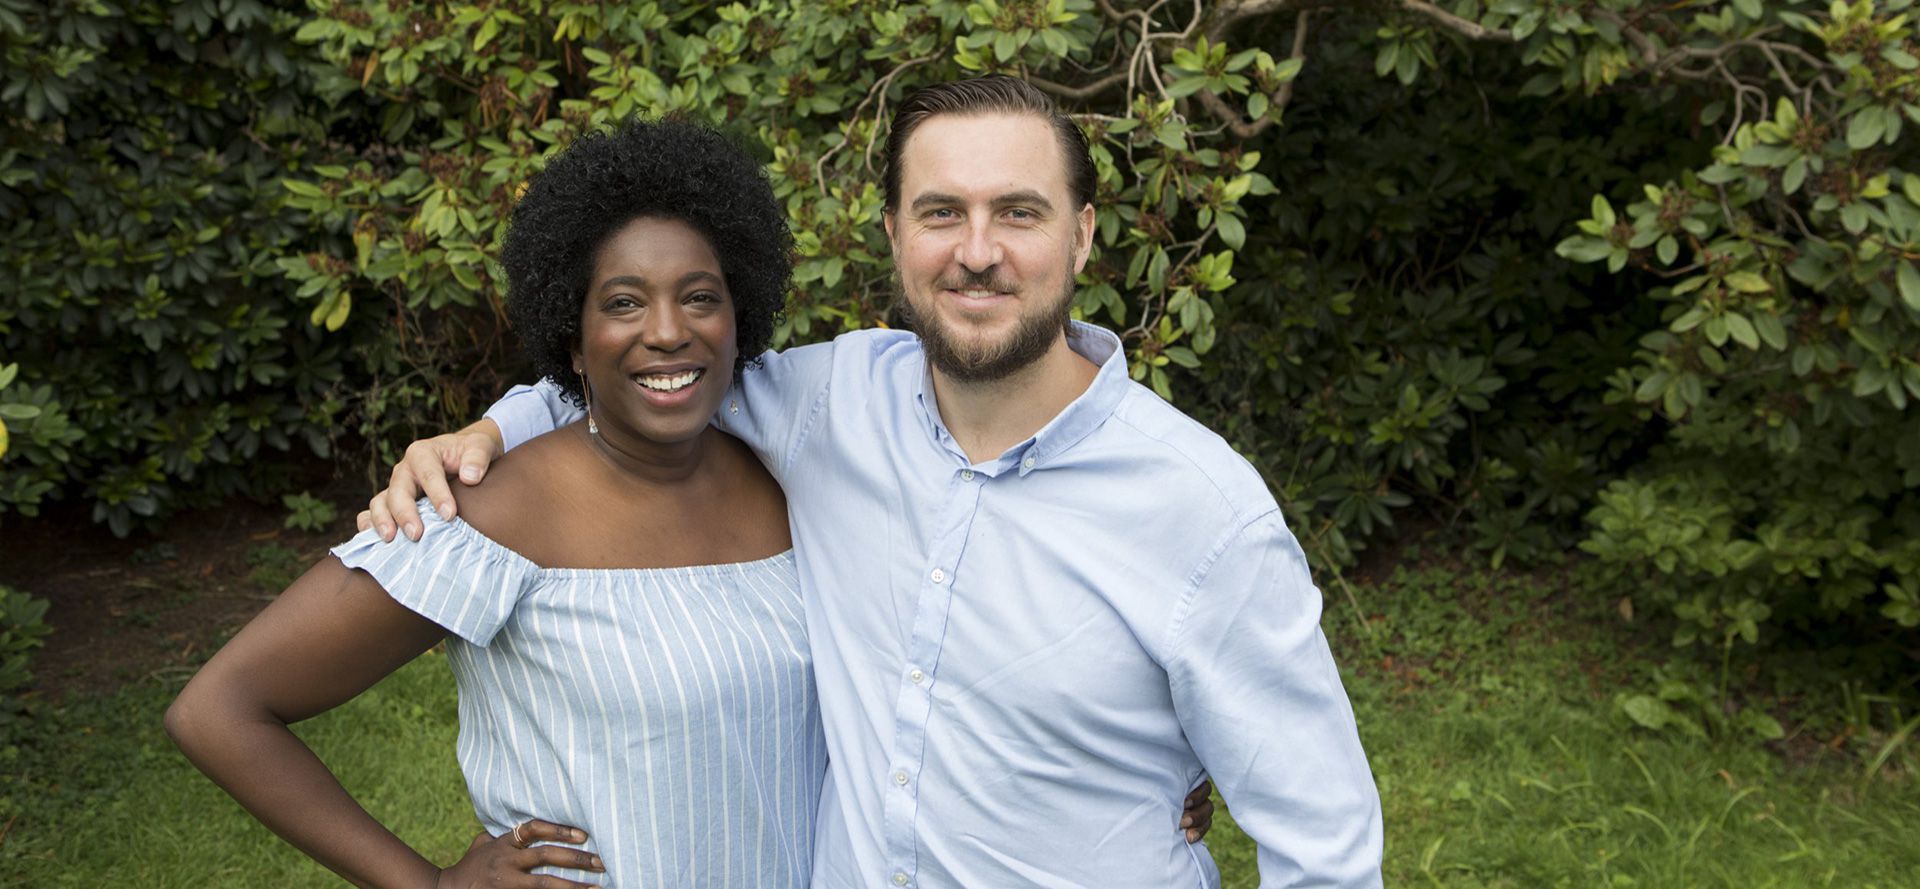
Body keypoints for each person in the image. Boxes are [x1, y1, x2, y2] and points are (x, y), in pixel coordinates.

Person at [367, 76, 1379, 886]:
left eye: (1018, 212)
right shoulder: (831, 401)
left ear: (1081, 235)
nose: (977, 253)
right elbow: (656, 371)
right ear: (893, 233)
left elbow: (1323, 845)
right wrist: (482, 433)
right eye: (942, 211)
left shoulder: (1203, 509)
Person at [166, 118, 823, 888]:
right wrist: (430, 884)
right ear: (572, 339)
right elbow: (221, 709)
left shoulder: (789, 482)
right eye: (623, 302)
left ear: (737, 314)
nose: (669, 331)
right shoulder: (490, 513)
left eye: (700, 296)